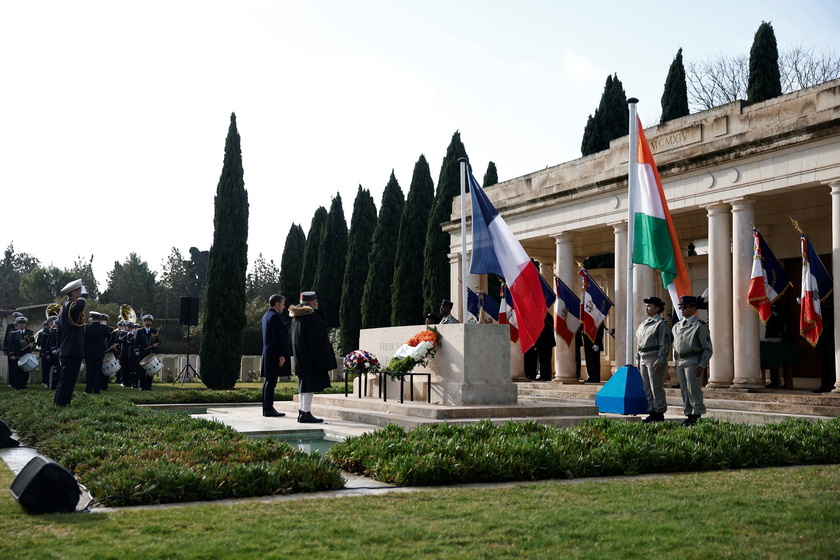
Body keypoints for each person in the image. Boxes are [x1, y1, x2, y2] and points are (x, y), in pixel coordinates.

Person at [289, 291, 334, 423]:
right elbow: (317, 341)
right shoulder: (311, 318)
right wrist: (322, 360)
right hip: (311, 358)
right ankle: (306, 413)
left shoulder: (296, 318)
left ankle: (302, 411)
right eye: (315, 301)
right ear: (309, 303)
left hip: (301, 358)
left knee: (304, 386)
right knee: (309, 387)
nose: (317, 302)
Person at [672, 295, 713, 426]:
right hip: (681, 361)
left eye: (685, 307)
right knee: (684, 389)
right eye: (680, 307)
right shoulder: (677, 326)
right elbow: (676, 346)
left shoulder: (699, 326)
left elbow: (707, 348)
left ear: (693, 308)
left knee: (693, 388)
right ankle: (688, 414)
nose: (682, 310)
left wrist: (702, 364)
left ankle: (696, 414)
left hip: (693, 360)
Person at [636, 296, 672, 423]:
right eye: (646, 306)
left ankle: (659, 412)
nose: (647, 308)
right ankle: (652, 410)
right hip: (643, 358)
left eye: (650, 306)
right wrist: (637, 359)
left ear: (657, 308)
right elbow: (639, 343)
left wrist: (661, 360)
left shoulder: (661, 324)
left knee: (656, 386)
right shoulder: (643, 325)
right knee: (647, 387)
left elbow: (665, 344)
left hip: (654, 357)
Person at [54, 279, 88, 406]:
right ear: (74, 293)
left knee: (66, 380)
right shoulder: (70, 306)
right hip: (71, 349)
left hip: (69, 349)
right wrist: (85, 294)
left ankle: (60, 403)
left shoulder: (67, 307)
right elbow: (80, 306)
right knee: (67, 380)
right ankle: (62, 405)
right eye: (80, 290)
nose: (81, 293)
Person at [260, 294, 291, 418]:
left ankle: (267, 407)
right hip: (273, 353)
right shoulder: (275, 317)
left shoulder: (266, 316)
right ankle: (268, 409)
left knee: (268, 380)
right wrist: (281, 355)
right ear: (277, 304)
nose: (284, 307)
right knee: (271, 381)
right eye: (282, 304)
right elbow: (277, 338)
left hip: (268, 352)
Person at [84, 311, 112, 394]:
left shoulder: (86, 327)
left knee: (89, 371)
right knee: (97, 371)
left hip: (88, 351)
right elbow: (109, 336)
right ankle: (96, 389)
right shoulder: (104, 328)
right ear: (99, 319)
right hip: (99, 351)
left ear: (91, 318)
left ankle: (88, 389)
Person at [6, 316, 35, 390]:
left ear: (25, 324)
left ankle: (24, 385)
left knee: (26, 371)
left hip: (26, 355)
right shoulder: (13, 333)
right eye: (20, 323)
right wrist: (11, 354)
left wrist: (32, 345)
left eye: (23, 323)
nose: (22, 325)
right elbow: (10, 345)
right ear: (17, 324)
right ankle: (17, 386)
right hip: (17, 355)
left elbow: (34, 343)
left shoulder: (29, 333)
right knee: (17, 371)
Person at [525, 312, 555, 381]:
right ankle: (543, 375)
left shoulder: (547, 316)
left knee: (546, 359)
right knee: (542, 359)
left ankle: (546, 376)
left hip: (547, 341)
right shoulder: (539, 315)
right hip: (541, 342)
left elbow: (548, 328)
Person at [134, 314, 159, 390]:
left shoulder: (154, 331)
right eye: (146, 321)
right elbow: (135, 343)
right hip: (142, 353)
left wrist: (156, 345)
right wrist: (136, 351)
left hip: (150, 353)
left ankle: (149, 386)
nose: (148, 322)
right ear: (144, 322)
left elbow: (158, 341)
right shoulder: (139, 331)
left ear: (151, 322)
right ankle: (142, 386)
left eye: (149, 321)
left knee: (150, 370)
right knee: (141, 370)